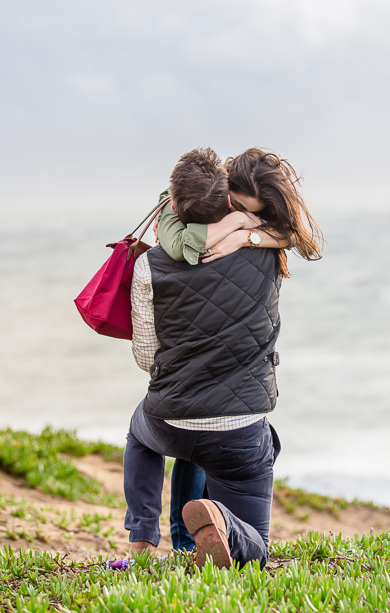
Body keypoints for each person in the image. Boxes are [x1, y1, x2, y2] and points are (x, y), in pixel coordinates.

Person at [124, 147, 319, 568]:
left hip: (170, 421)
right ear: (229, 198)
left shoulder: (149, 265)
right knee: (257, 552)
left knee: (141, 435)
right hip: (241, 430)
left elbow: (145, 356)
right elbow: (297, 233)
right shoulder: (268, 249)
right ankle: (223, 525)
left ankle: (142, 541)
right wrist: (250, 233)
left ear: (177, 201)